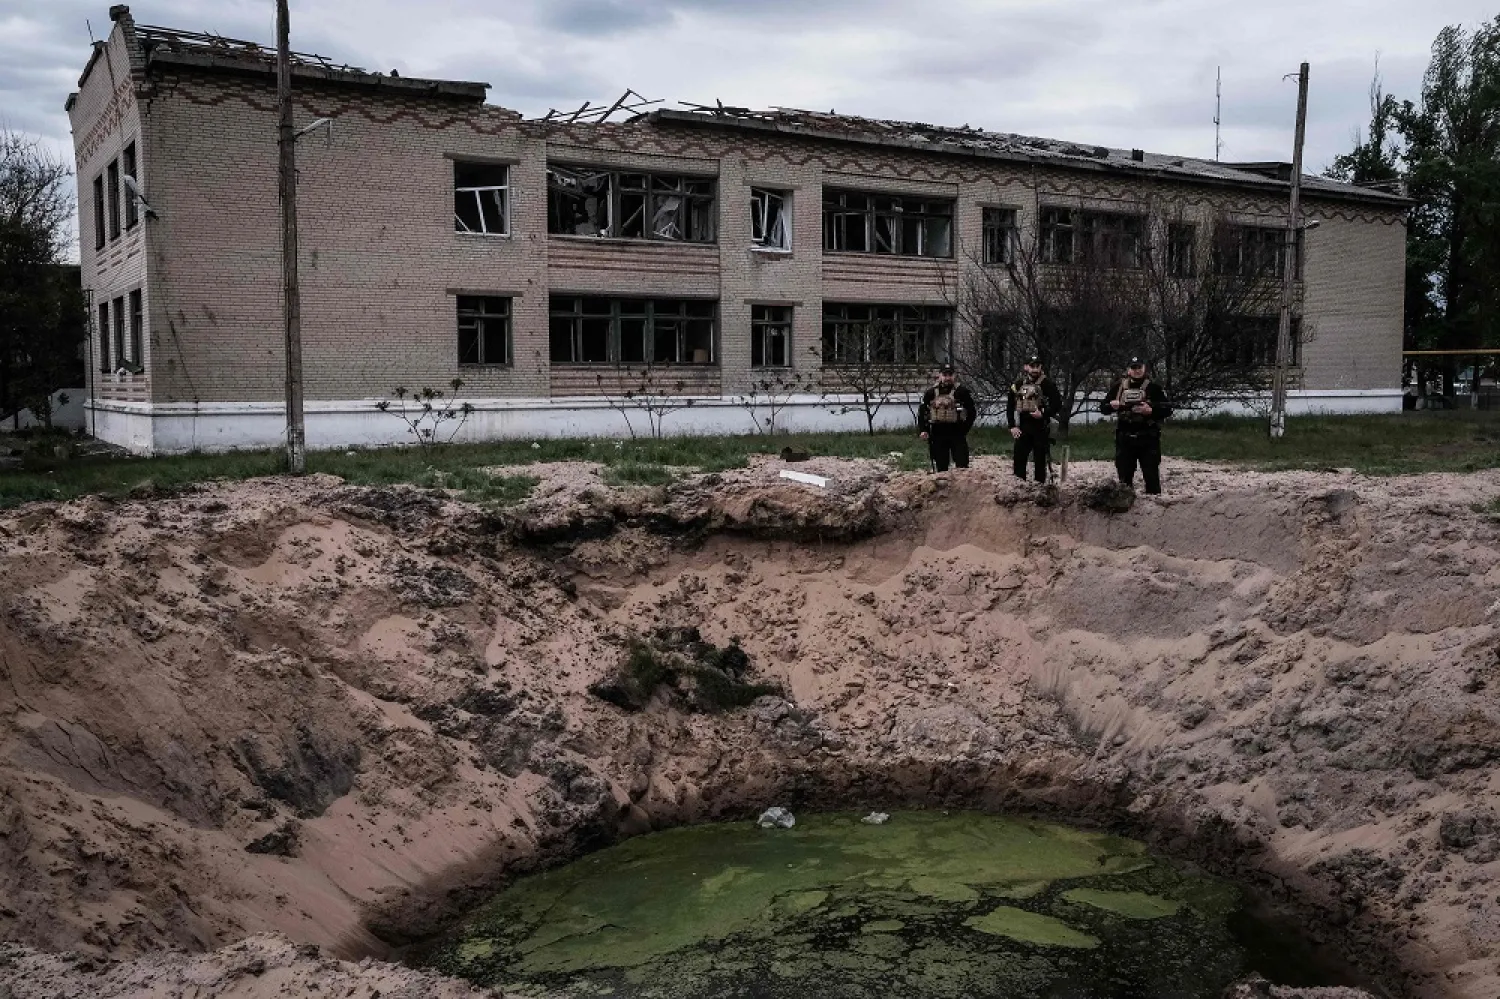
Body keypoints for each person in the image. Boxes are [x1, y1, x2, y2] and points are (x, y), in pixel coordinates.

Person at [1101, 356, 1173, 494]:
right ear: (1129, 370)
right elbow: (1103, 408)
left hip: (1148, 438)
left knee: (1151, 475)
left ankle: (1154, 506)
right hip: (1125, 438)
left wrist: (1151, 411)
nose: (1137, 370)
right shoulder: (1118, 388)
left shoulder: (1154, 388)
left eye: (1139, 367)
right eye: (1134, 368)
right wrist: (1112, 406)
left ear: (1144, 368)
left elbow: (1167, 409)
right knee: (1124, 477)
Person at [1006, 355, 1063, 482]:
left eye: (1038, 366)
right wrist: (1012, 425)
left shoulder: (1047, 384)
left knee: (1040, 462)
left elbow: (1057, 404)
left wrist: (1043, 413)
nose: (1035, 369)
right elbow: (1010, 404)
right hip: (1023, 428)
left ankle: (1039, 489)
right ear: (1026, 367)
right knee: (1019, 459)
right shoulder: (1019, 384)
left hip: (1040, 428)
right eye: (1032, 366)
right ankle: (1020, 487)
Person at [918, 364, 976, 471]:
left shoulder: (962, 392)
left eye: (950, 375)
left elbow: (972, 412)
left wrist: (965, 429)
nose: (948, 377)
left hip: (957, 432)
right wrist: (923, 430)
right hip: (938, 432)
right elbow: (922, 412)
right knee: (941, 467)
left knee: (962, 465)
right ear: (939, 375)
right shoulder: (931, 392)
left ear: (954, 376)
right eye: (945, 375)